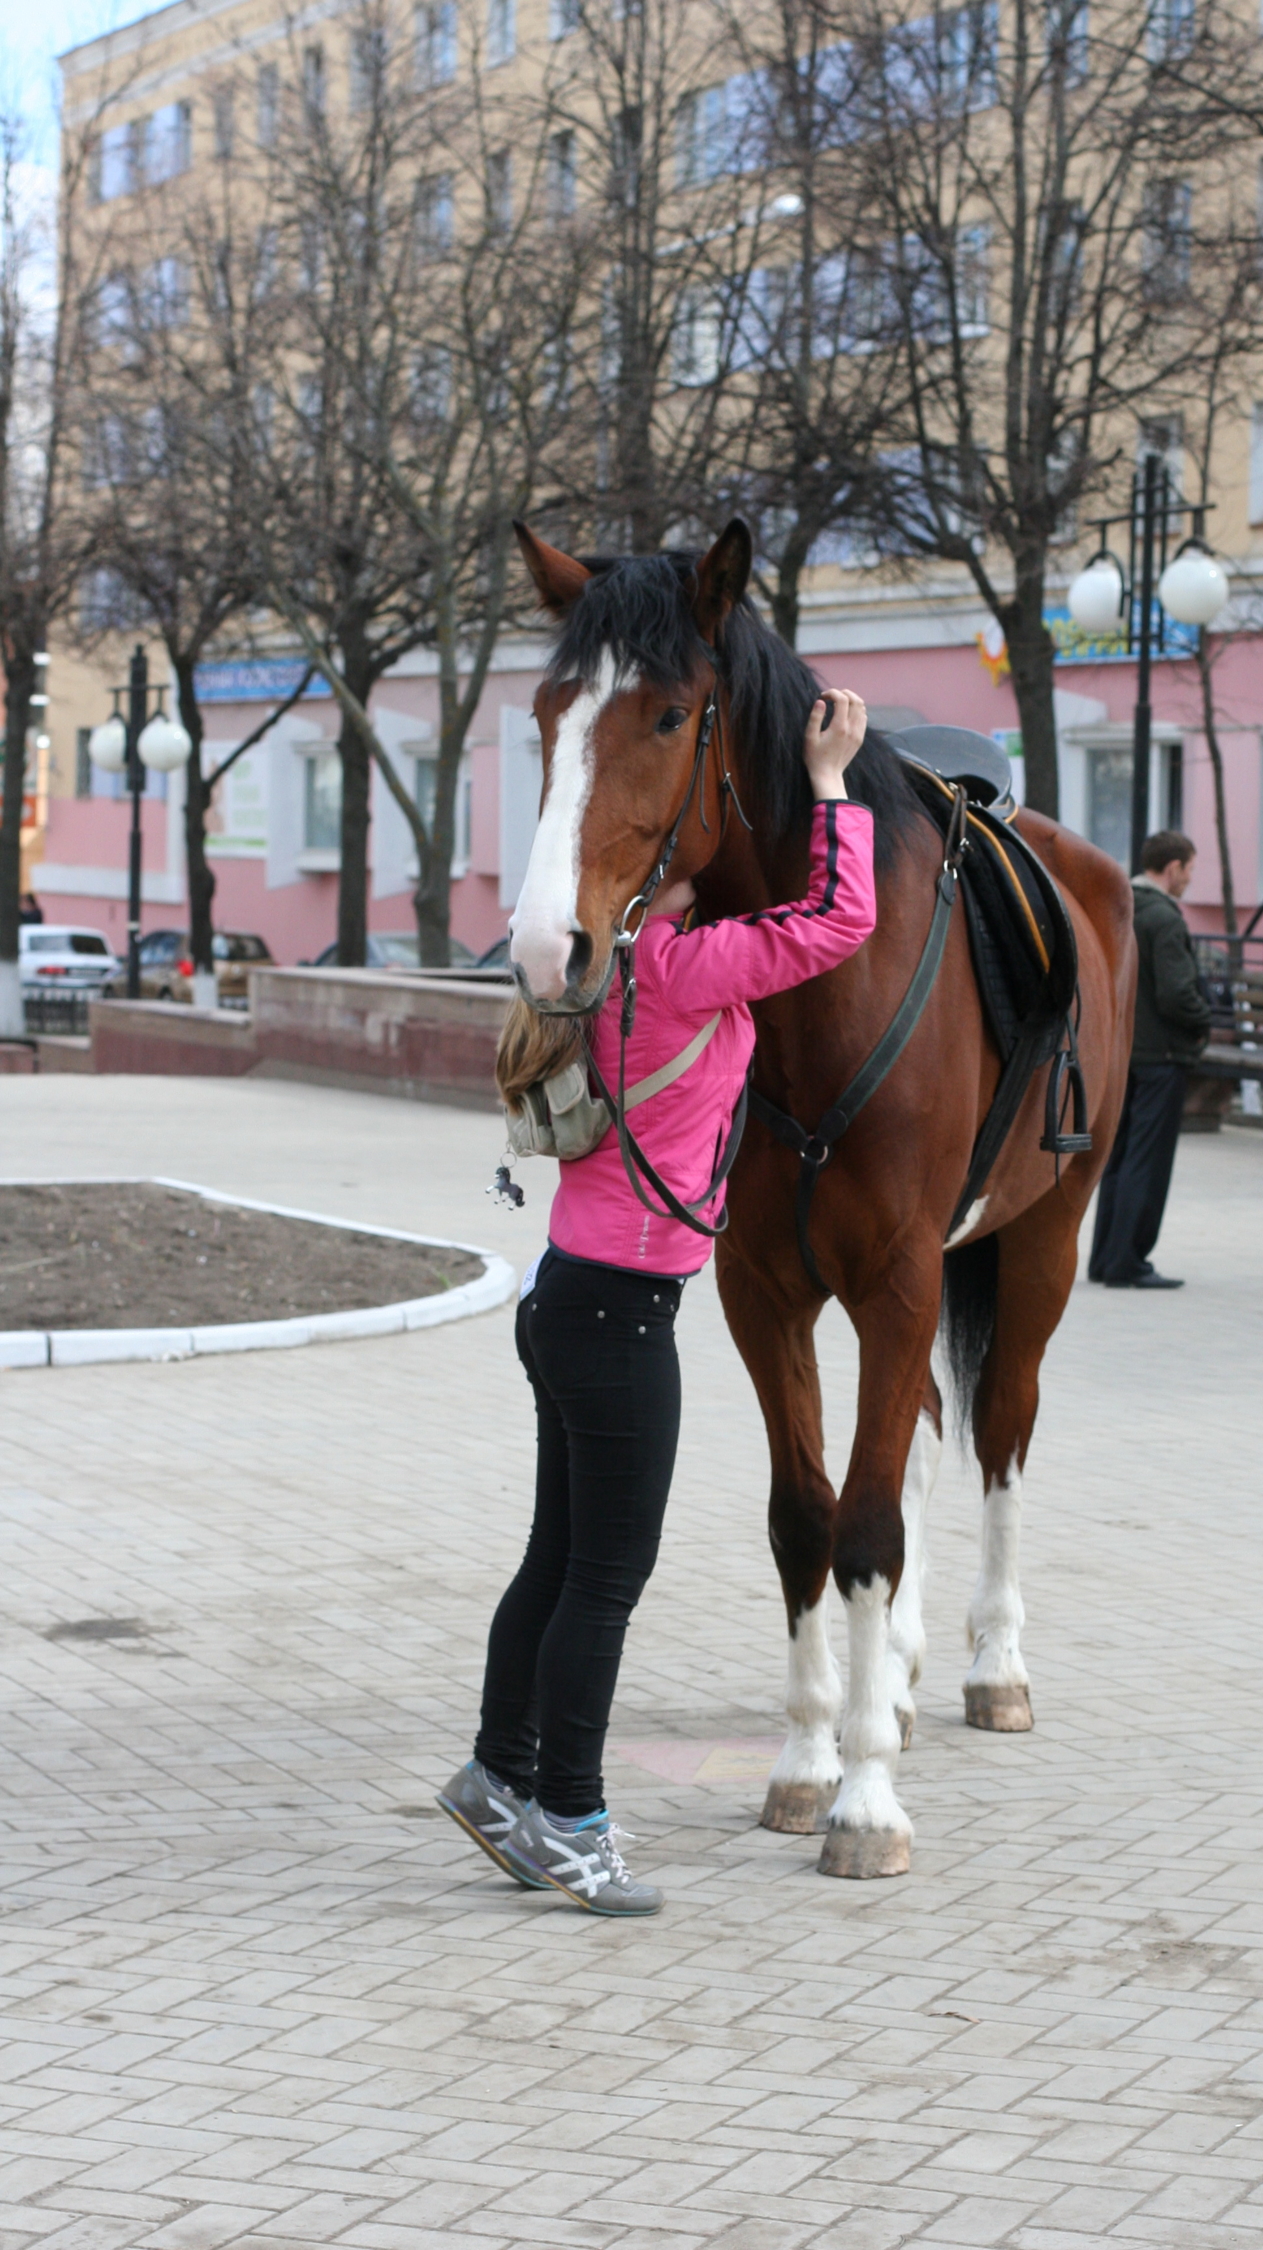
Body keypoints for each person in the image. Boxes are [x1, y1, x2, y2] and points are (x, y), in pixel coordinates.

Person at [438, 690, 877, 1918]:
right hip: (624, 1320)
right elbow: (842, 918)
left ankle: (498, 1778)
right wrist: (831, 785)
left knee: (556, 1560)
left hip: (563, 1302)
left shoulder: (600, 978)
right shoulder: (683, 970)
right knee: (605, 1580)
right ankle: (570, 1822)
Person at [1089, 828, 1212, 1290]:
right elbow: (1178, 994)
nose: (1189, 880)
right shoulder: (1165, 919)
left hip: (1124, 1053)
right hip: (1162, 1055)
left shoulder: (1119, 906)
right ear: (1174, 867)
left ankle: (1105, 1256)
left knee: (1118, 1158)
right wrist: (1203, 1021)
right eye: (1190, 870)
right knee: (1148, 1160)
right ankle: (1129, 1260)